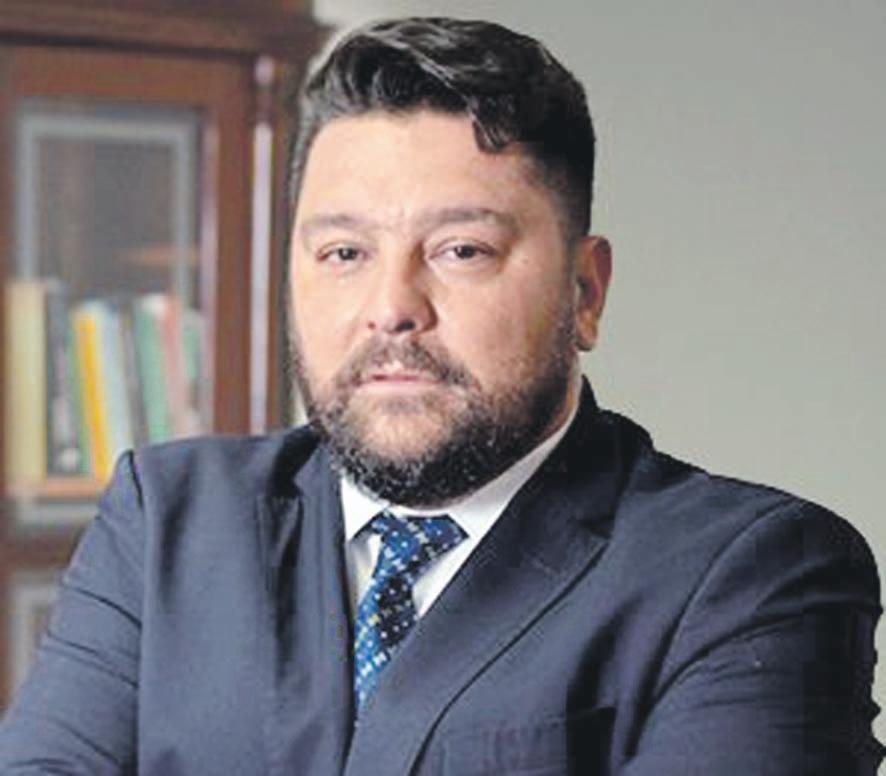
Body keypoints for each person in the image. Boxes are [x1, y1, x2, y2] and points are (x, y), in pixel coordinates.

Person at [0, 16, 882, 775]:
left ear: (584, 292)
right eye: (344, 254)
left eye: (462, 251)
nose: (391, 307)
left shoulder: (751, 576)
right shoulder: (166, 522)